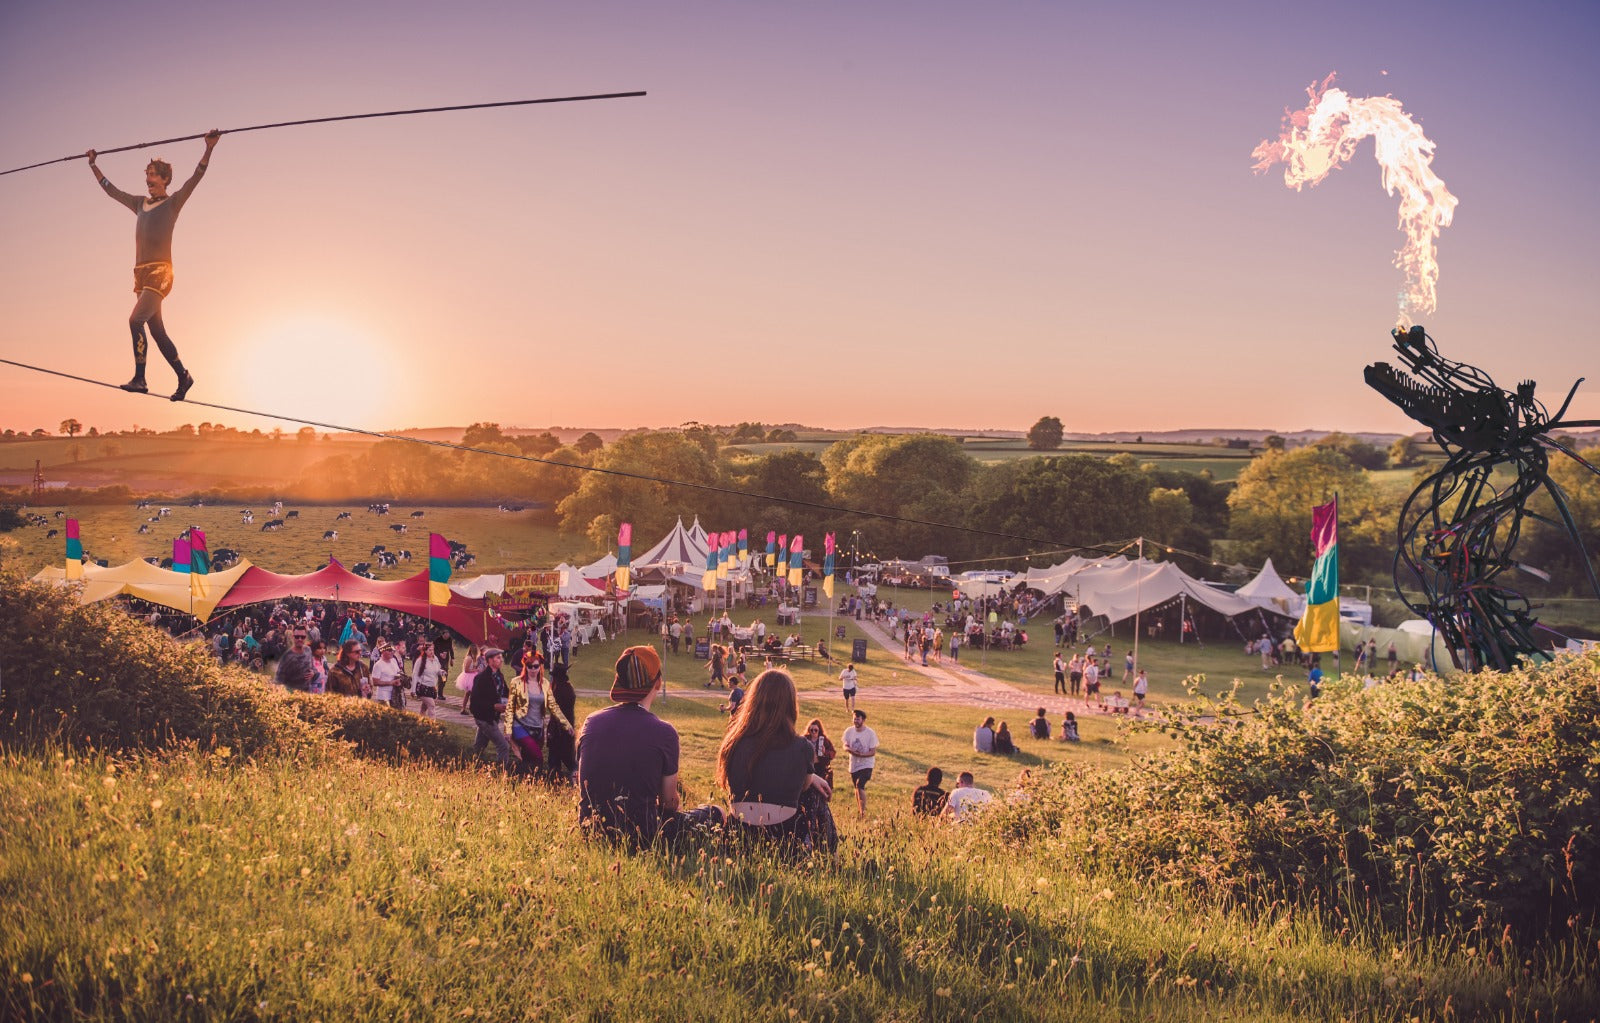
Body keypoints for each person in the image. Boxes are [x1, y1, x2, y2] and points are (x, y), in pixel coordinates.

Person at [87, 130, 220, 400]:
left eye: (152, 174)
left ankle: (140, 378)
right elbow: (111, 190)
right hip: (141, 275)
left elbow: (196, 177)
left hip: (161, 273)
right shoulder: (138, 203)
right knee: (157, 333)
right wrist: (93, 164)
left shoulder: (173, 203)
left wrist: (208, 148)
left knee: (135, 320)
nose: (147, 179)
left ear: (164, 179)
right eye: (146, 174)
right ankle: (184, 376)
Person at [577, 646, 722, 847]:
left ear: (618, 682)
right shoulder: (664, 732)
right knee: (716, 813)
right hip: (643, 836)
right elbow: (668, 804)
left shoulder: (591, 722)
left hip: (591, 830)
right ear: (658, 682)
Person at [716, 669, 836, 854]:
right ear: (790, 705)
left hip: (740, 836)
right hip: (783, 838)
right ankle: (828, 854)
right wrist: (813, 778)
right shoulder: (802, 747)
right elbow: (802, 787)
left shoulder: (733, 742)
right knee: (815, 794)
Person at [468, 648, 512, 769]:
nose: (501, 660)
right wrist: (493, 706)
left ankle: (473, 766)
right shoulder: (481, 678)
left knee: (480, 746)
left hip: (492, 717)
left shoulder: (499, 676)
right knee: (503, 746)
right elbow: (474, 704)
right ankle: (501, 772)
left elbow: (505, 692)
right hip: (484, 718)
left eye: (500, 657)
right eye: (498, 658)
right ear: (490, 661)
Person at [543, 662, 578, 783]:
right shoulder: (567, 687)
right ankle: (556, 778)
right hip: (565, 727)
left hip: (560, 729)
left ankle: (558, 779)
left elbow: (557, 714)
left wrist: (552, 730)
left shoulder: (560, 690)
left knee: (562, 758)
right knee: (563, 755)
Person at [840, 709, 879, 820]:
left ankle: (863, 812)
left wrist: (862, 755)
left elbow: (873, 751)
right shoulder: (849, 731)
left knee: (859, 785)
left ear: (863, 720)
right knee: (856, 788)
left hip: (867, 764)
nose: (855, 721)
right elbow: (845, 745)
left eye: (858, 719)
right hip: (854, 765)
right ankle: (860, 810)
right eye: (854, 719)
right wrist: (849, 750)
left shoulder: (870, 733)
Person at [274, 626, 314, 691]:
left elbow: (312, 666)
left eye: (302, 637)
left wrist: (313, 672)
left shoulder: (308, 650)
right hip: (293, 695)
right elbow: (278, 679)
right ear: (293, 637)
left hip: (307, 693)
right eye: (297, 637)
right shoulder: (287, 656)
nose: (300, 639)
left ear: (305, 637)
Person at [411, 638, 444, 717]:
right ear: (425, 651)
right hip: (423, 687)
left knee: (424, 707)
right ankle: (432, 726)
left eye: (433, 650)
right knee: (431, 705)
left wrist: (441, 672)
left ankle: (420, 721)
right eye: (429, 650)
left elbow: (437, 669)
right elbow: (415, 675)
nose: (432, 652)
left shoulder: (435, 659)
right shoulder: (420, 660)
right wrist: (413, 690)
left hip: (432, 687)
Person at [370, 640, 405, 708]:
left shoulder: (394, 661)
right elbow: (375, 682)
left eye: (392, 651)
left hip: (395, 695)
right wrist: (391, 683)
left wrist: (401, 678)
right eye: (389, 651)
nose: (392, 652)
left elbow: (398, 673)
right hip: (384, 696)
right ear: (383, 652)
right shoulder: (378, 665)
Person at [804, 718, 836, 793]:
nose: (813, 732)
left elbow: (832, 753)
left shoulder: (824, 740)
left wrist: (825, 752)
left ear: (819, 730)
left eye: (815, 730)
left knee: (820, 788)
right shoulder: (805, 739)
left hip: (820, 766)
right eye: (811, 730)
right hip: (808, 765)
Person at [455, 643, 482, 713]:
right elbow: (466, 670)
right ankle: (469, 708)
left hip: (473, 676)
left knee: (469, 694)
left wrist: (476, 668)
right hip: (468, 677)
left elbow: (472, 667)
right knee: (471, 694)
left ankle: (465, 709)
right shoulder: (469, 658)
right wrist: (475, 670)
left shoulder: (473, 658)